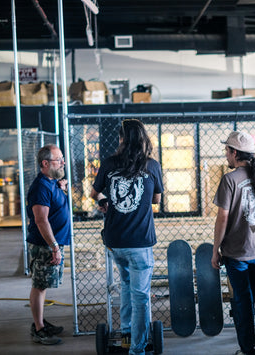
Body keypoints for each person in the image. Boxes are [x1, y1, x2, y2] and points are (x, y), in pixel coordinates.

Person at [91, 119, 163, 355]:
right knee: (141, 296)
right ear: (143, 139)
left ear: (121, 139)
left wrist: (104, 201)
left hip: (116, 241)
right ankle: (137, 349)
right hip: (140, 242)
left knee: (126, 286)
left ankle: (126, 335)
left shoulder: (109, 164)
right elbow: (156, 200)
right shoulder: (151, 166)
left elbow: (95, 193)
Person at [211, 131, 255, 355]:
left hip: (236, 253)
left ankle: (248, 350)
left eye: (227, 152)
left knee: (242, 302)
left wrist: (215, 251)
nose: (226, 156)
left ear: (235, 152)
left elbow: (223, 218)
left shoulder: (229, 180)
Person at [26, 144, 70, 345]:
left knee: (43, 285)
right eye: (58, 160)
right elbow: (41, 220)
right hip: (44, 244)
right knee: (39, 286)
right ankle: (38, 329)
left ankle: (41, 322)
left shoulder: (52, 182)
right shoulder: (41, 187)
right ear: (45, 163)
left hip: (52, 243)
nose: (63, 162)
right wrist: (53, 246)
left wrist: (62, 189)